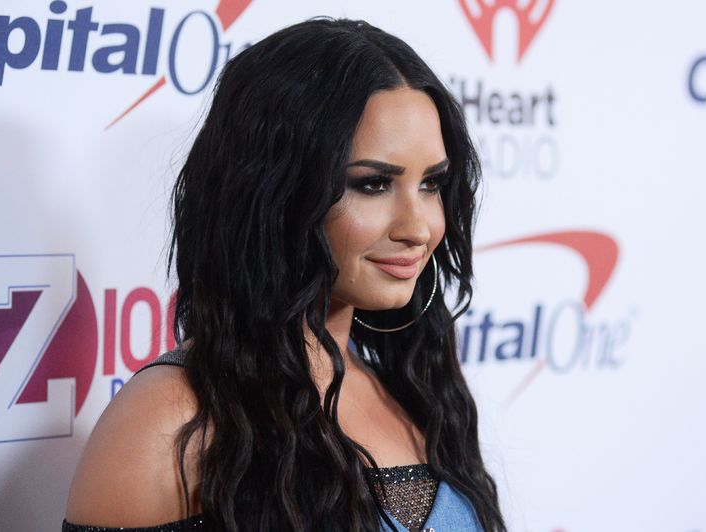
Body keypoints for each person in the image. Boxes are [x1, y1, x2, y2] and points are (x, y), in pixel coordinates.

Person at [63, 17, 506, 532]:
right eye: (373, 184)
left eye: (431, 184)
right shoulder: (170, 420)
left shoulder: (415, 391)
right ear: (275, 193)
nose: (418, 228)